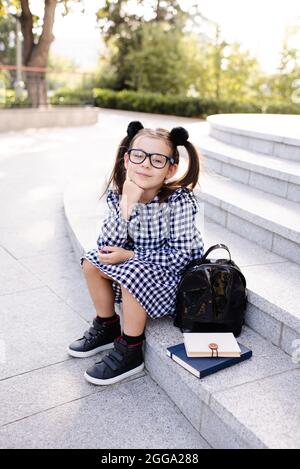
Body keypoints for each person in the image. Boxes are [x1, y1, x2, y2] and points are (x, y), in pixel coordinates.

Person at [68, 120, 205, 386]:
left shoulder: (179, 201)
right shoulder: (119, 196)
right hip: (139, 269)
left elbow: (183, 256)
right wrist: (126, 205)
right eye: (139, 156)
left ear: (170, 169)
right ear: (127, 160)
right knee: (92, 261)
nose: (145, 164)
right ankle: (107, 325)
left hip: (173, 277)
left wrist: (130, 257)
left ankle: (131, 350)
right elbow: (107, 245)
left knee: (133, 271)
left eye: (157, 160)